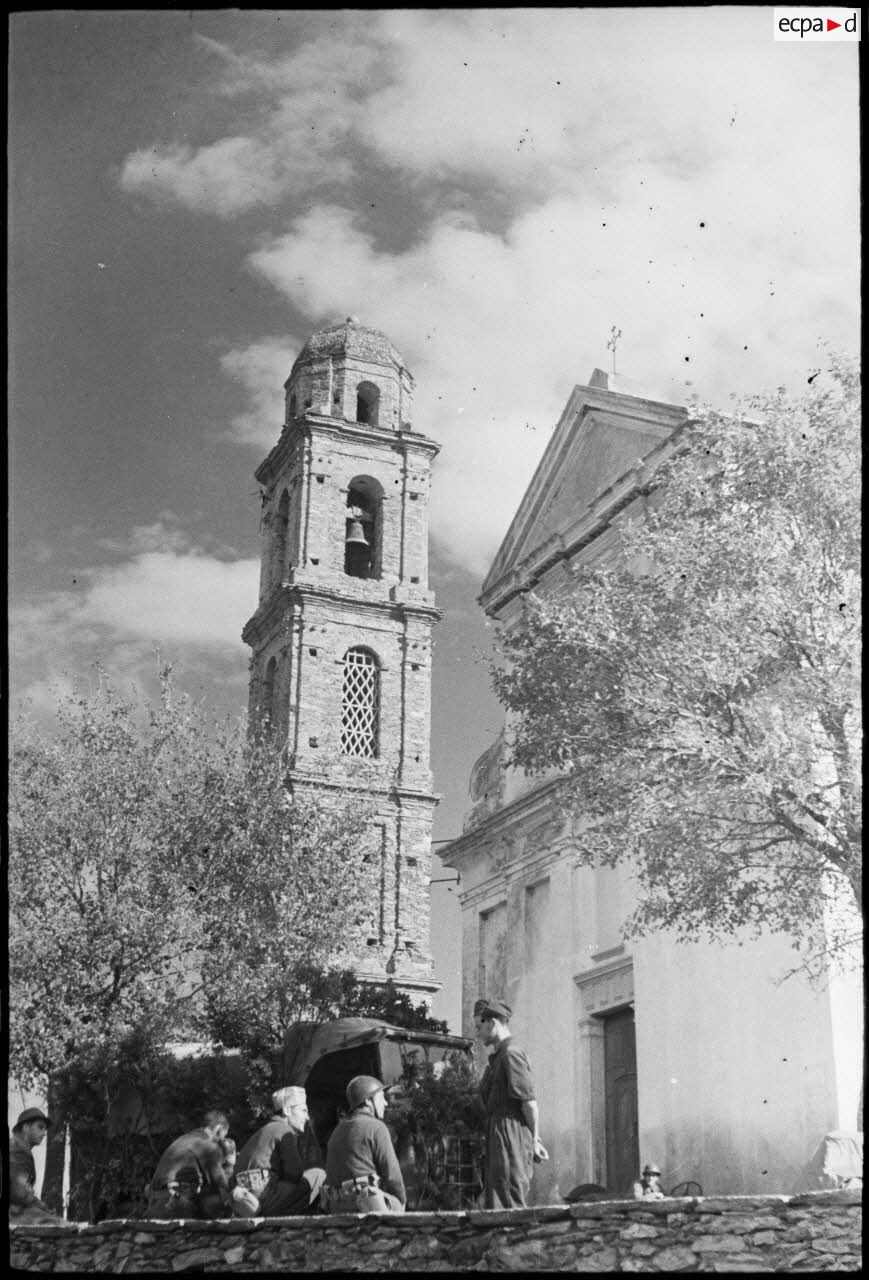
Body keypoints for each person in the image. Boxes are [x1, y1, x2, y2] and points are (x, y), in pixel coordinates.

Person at [475, 998, 548, 1209]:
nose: (478, 1033)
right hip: (499, 1131)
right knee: (497, 1197)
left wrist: (534, 1140)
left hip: (509, 1133)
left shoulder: (511, 1054)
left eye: (480, 1027)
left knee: (508, 1196)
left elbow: (529, 1103)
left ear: (493, 1023)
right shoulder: (498, 1057)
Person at [234, 1086, 326, 1216]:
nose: (307, 1117)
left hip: (245, 1203)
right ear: (287, 1110)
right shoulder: (284, 1131)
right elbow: (294, 1173)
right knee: (318, 1173)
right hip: (264, 1202)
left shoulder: (264, 1130)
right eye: (304, 1111)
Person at [323, 1075, 406, 1214]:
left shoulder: (336, 1131)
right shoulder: (376, 1127)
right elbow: (393, 1176)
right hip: (367, 1203)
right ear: (368, 1101)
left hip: (337, 1206)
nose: (385, 1103)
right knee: (397, 1204)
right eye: (381, 1097)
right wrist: (400, 1202)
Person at [146, 1110, 234, 1219]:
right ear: (218, 1129)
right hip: (174, 1205)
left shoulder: (184, 1139)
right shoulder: (207, 1146)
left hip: (153, 1203)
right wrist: (230, 1164)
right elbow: (222, 1185)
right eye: (222, 1136)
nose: (221, 1141)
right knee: (221, 1201)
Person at [9, 1107, 62, 1223]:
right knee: (57, 1224)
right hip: (11, 1213)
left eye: (45, 1129)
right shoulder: (17, 1150)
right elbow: (20, 1193)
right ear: (26, 1127)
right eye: (40, 1127)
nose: (44, 1133)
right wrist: (45, 1209)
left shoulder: (17, 1147)